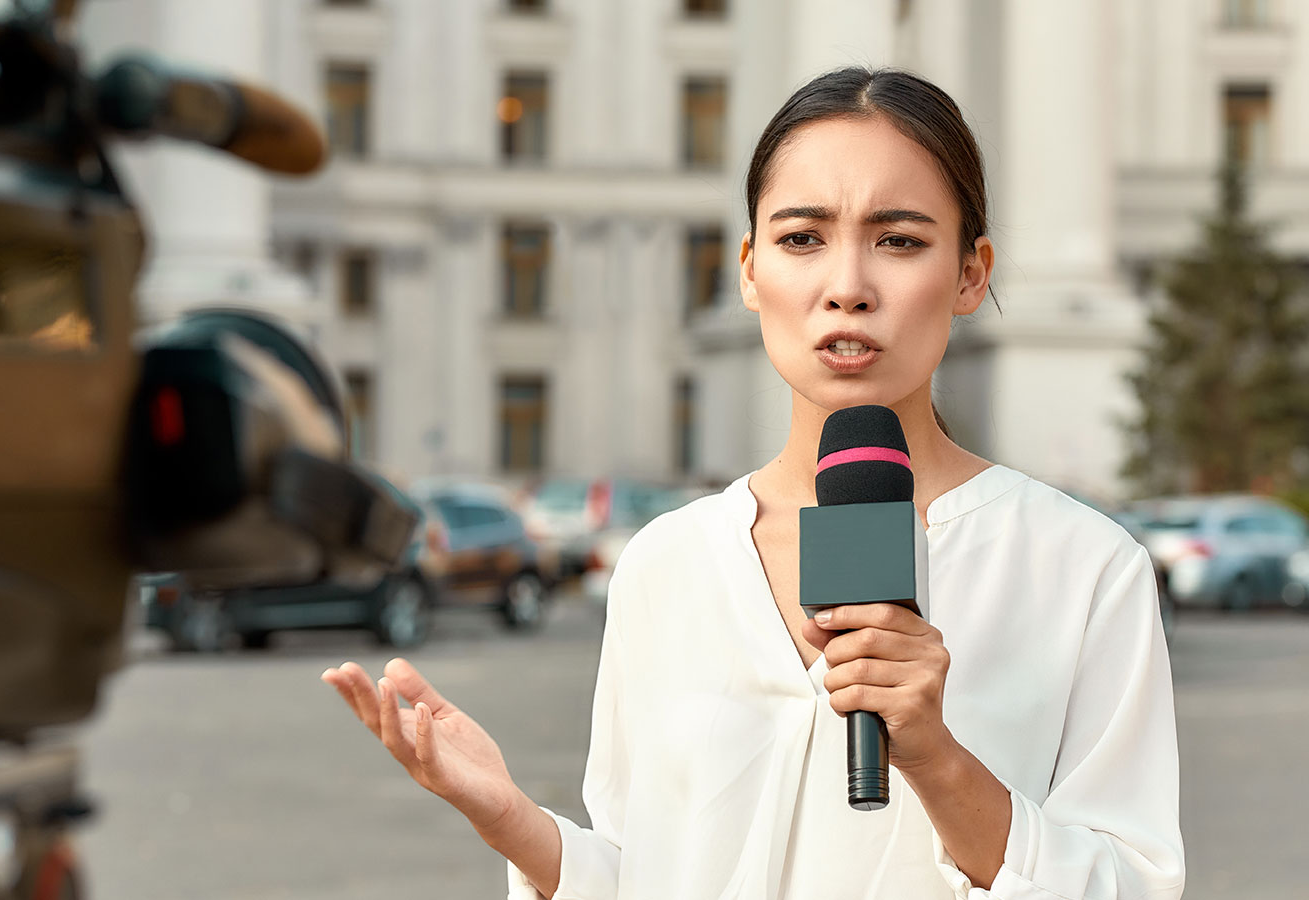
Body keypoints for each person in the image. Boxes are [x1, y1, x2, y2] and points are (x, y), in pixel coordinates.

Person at [320, 66, 1185, 900]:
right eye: (802, 239)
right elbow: (646, 869)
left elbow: (1130, 886)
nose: (846, 288)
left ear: (970, 273)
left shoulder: (1083, 571)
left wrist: (935, 756)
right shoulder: (667, 564)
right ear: (748, 269)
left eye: (899, 240)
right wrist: (513, 822)